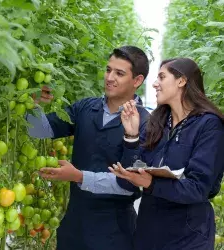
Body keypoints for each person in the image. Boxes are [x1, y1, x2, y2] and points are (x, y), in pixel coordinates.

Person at [40, 58, 224, 250]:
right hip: (149, 233)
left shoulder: (209, 125)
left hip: (188, 237)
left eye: (161, 77)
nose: (154, 84)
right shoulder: (158, 124)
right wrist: (131, 135)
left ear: (181, 81)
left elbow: (198, 188)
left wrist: (151, 183)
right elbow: (127, 178)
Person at [27, 46, 150, 250]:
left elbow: (130, 183)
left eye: (119, 73)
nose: (110, 77)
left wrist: (78, 176)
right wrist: (34, 103)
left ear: (137, 81)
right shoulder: (85, 108)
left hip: (114, 233)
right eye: (108, 70)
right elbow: (40, 130)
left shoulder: (146, 123)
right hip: (74, 226)